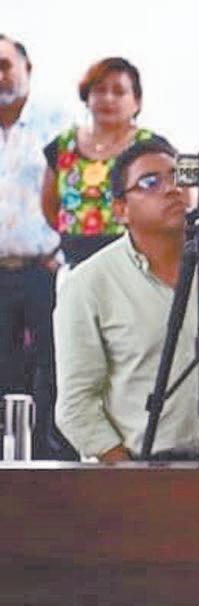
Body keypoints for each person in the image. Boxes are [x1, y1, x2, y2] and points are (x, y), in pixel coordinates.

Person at [53, 136, 199, 462]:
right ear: (121, 209)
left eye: (179, 177)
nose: (171, 189)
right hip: (143, 465)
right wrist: (127, 473)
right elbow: (76, 404)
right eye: (150, 182)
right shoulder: (88, 283)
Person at [0, 34, 71, 458]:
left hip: (42, 267)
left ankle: (49, 460)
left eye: (5, 65)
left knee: (51, 365)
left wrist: (60, 253)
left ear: (28, 69)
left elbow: (77, 191)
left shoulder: (57, 123)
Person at [40, 57, 155, 266]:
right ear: (87, 97)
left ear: (137, 101)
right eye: (100, 90)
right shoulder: (63, 145)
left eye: (119, 92)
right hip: (76, 263)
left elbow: (180, 200)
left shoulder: (151, 147)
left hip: (134, 264)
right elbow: (49, 207)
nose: (108, 98)